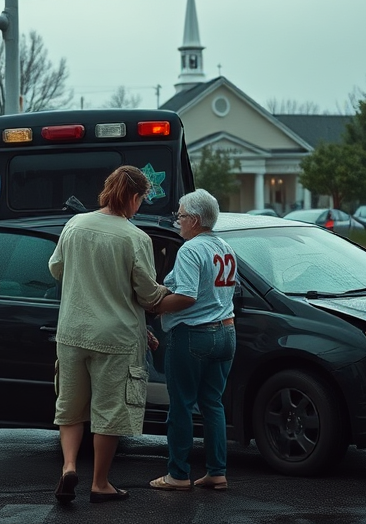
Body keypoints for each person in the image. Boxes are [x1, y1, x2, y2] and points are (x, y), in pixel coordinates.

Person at [48, 165, 168, 504]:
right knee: (109, 412)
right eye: (142, 199)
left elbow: (56, 268)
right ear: (132, 197)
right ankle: (100, 483)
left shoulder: (75, 225)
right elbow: (147, 294)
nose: (141, 205)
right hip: (116, 339)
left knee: (70, 408)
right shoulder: (135, 238)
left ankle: (69, 466)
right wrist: (170, 293)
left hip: (72, 333)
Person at [148, 188, 237, 492]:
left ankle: (177, 474)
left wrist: (156, 306)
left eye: (182, 215)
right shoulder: (224, 246)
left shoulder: (190, 250)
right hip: (226, 331)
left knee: (182, 405)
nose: (178, 220)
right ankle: (217, 472)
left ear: (196, 220)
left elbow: (186, 296)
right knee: (212, 403)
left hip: (194, 335)